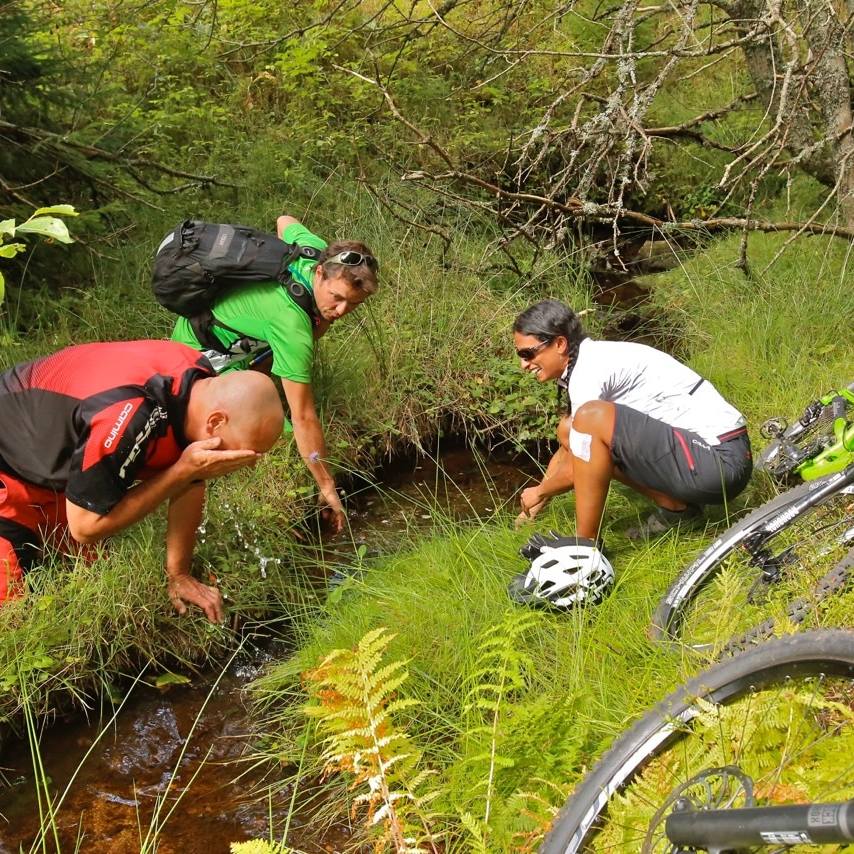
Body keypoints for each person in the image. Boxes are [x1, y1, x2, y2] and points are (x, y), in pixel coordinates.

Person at [0, 340, 284, 621]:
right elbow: (84, 528)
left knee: (89, 572)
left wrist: (179, 574)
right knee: (13, 607)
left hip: (46, 453)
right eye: (238, 452)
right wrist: (181, 472)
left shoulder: (199, 383)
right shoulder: (128, 415)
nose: (237, 464)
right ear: (215, 422)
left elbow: (192, 479)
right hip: (8, 463)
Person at [171, 214, 379, 534]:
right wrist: (327, 487)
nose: (340, 311)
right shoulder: (292, 326)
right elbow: (304, 417)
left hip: (228, 340)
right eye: (336, 298)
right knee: (277, 438)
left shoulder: (313, 250)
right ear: (321, 273)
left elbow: (284, 221)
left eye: (352, 304)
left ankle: (259, 377)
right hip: (196, 359)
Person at [513, 300, 752, 541]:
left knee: (589, 421)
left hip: (720, 463)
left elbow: (583, 462)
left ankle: (584, 548)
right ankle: (678, 509)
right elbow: (572, 445)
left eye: (528, 353)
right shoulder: (589, 359)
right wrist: (537, 502)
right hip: (711, 458)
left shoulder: (589, 370)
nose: (523, 364)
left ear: (560, 344)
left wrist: (540, 492)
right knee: (569, 428)